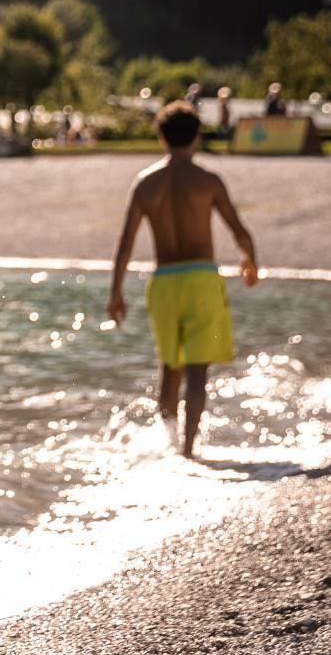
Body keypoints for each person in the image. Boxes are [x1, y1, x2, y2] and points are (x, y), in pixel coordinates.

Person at [105, 102, 260, 457]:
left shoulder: (145, 184)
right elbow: (240, 231)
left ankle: (168, 446)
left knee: (169, 368)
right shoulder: (208, 181)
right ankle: (189, 451)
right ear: (197, 136)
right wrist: (251, 263)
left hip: (163, 282)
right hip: (201, 279)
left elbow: (125, 244)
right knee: (197, 372)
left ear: (161, 137)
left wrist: (115, 293)